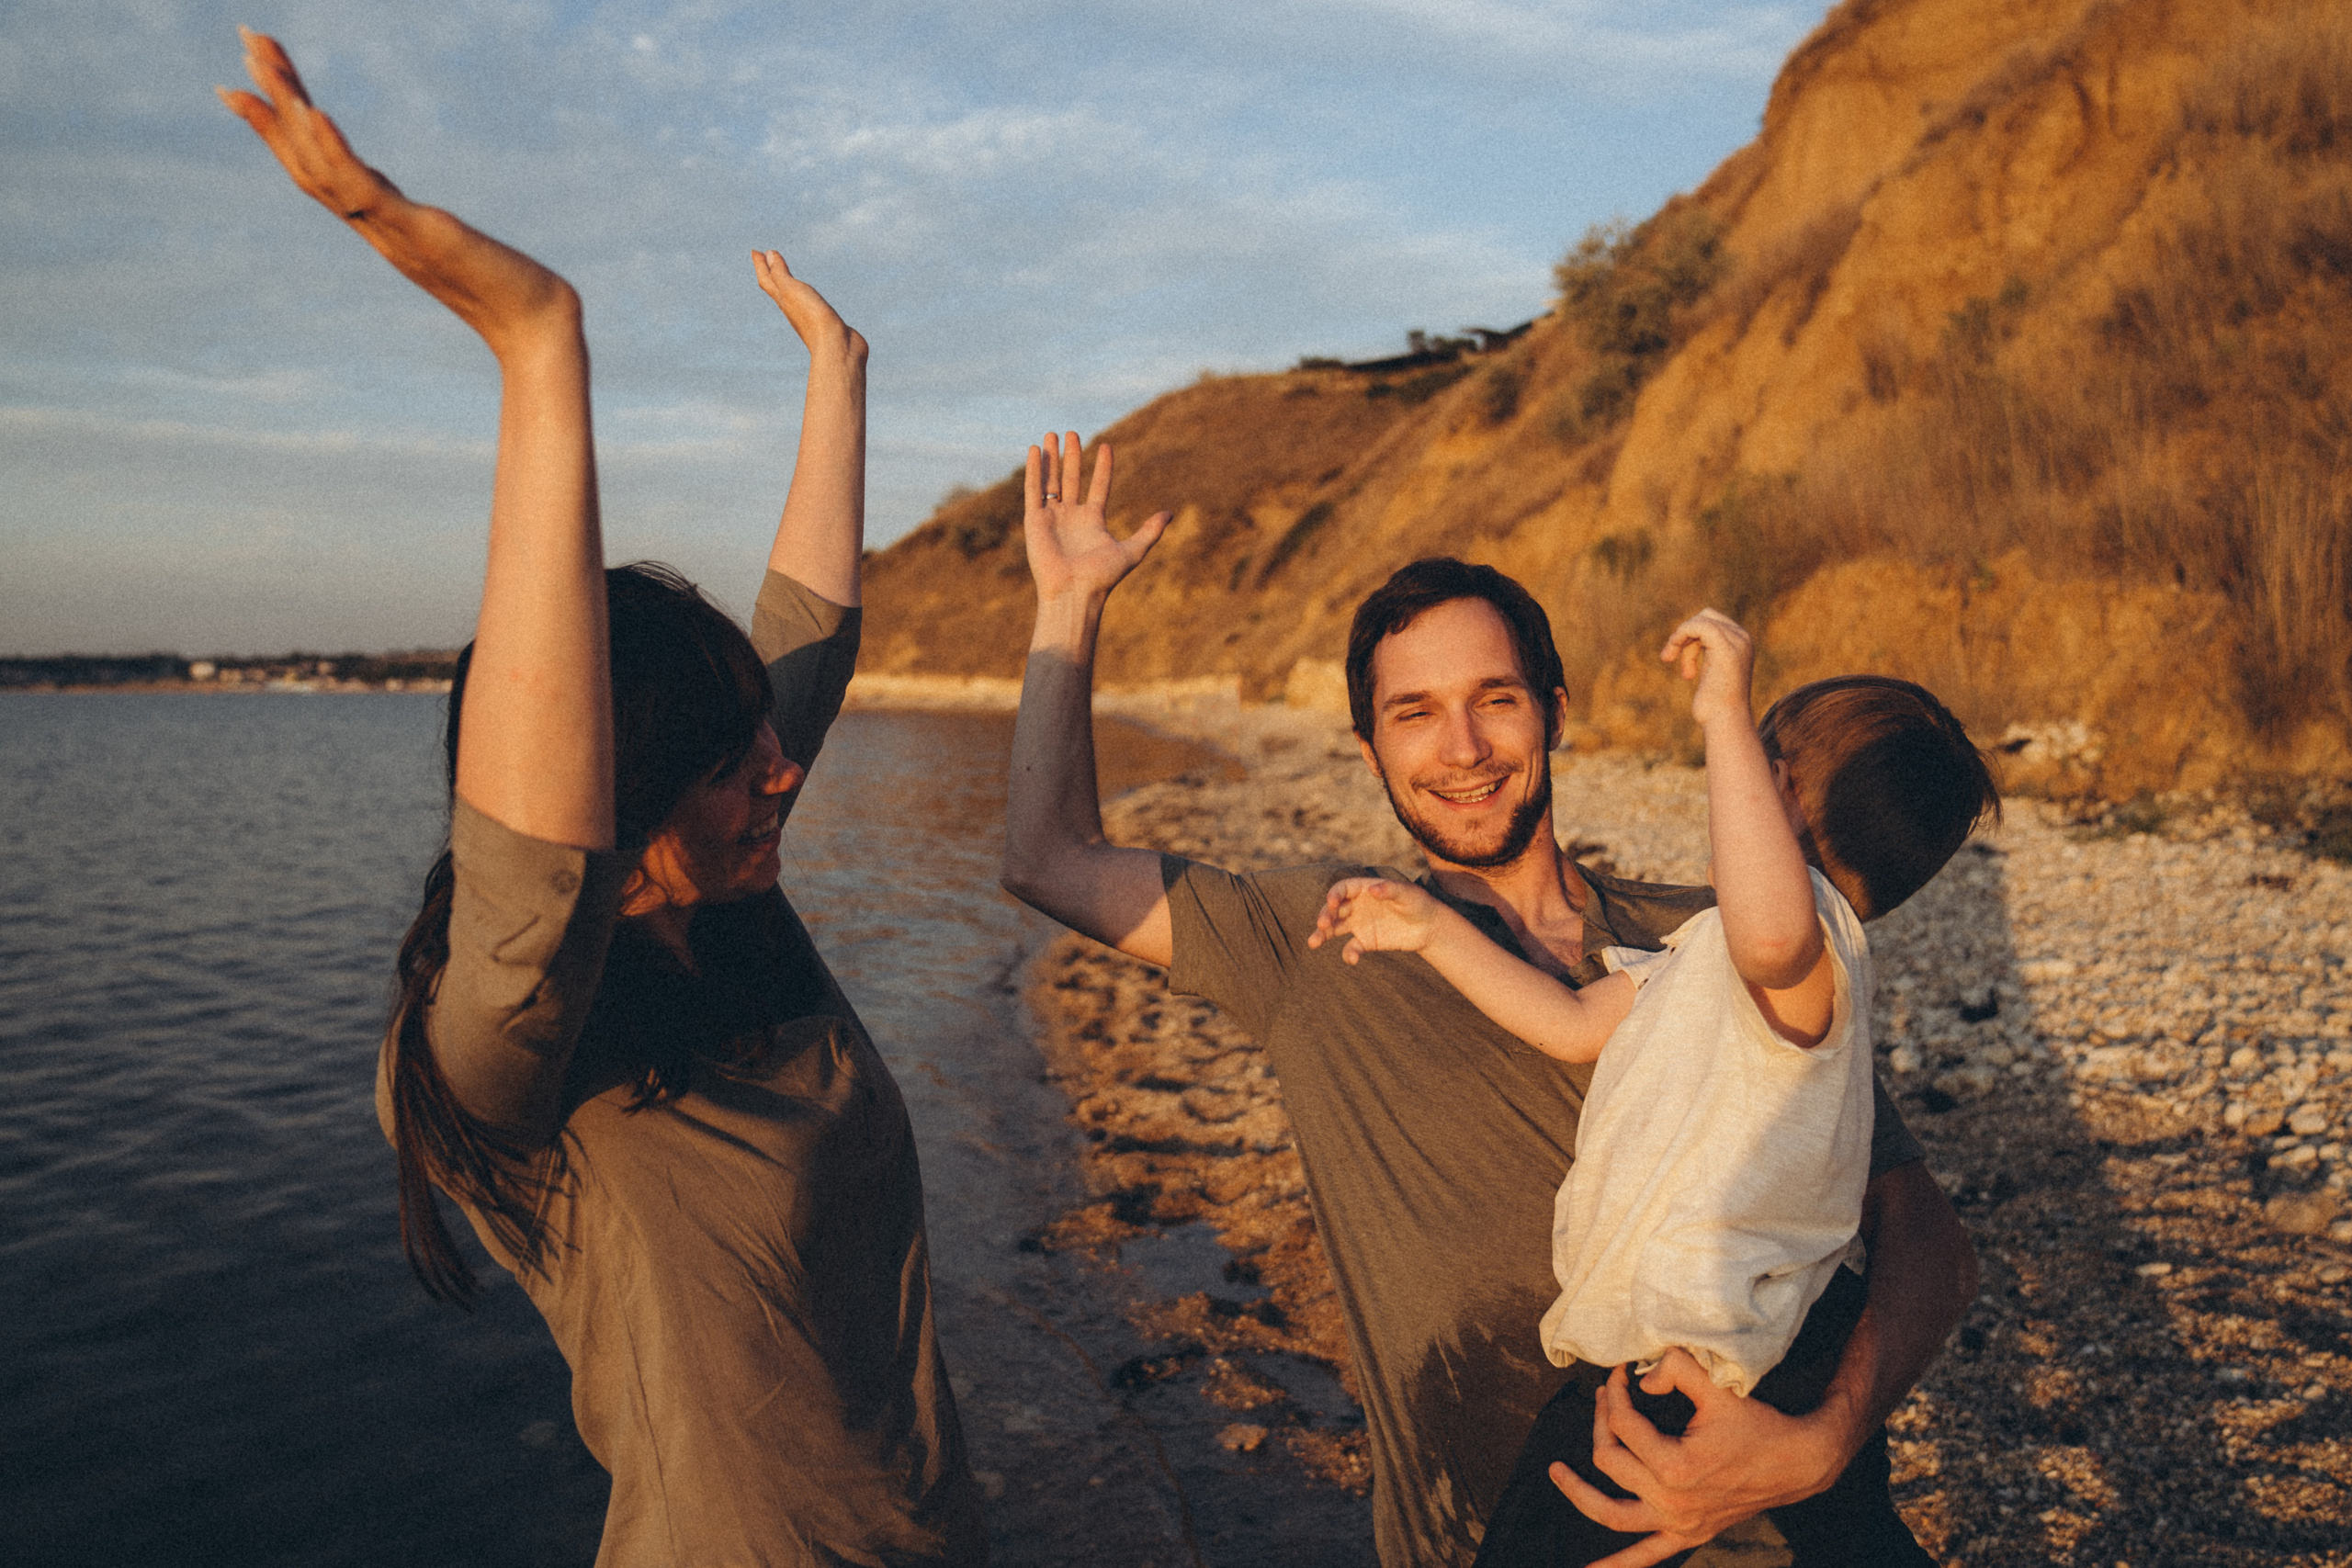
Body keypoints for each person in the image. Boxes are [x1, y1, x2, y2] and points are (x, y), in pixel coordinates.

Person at [220, 30, 984, 1565]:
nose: (783, 770)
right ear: (618, 790)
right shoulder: (514, 1056)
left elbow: (804, 658)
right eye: (726, 757)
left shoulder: (740, 917)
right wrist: (536, 341)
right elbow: (533, 864)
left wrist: (839, 381)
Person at [999, 433, 1979, 1568]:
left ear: (1555, 713)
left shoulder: (1711, 937)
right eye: (1412, 713)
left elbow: (1927, 1237)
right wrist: (1068, 607)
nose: (1460, 749)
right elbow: (1050, 857)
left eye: (1494, 700)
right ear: (1369, 747)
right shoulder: (1320, 932)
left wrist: (1819, 1442)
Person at [1310, 607, 1997, 1565]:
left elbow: (1771, 930)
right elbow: (1572, 1023)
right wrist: (1430, 929)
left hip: (1710, 1358)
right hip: (1714, 1348)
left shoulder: (1808, 958)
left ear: (1780, 795)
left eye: (1747, 771)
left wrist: (1722, 712)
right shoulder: (1697, 952)